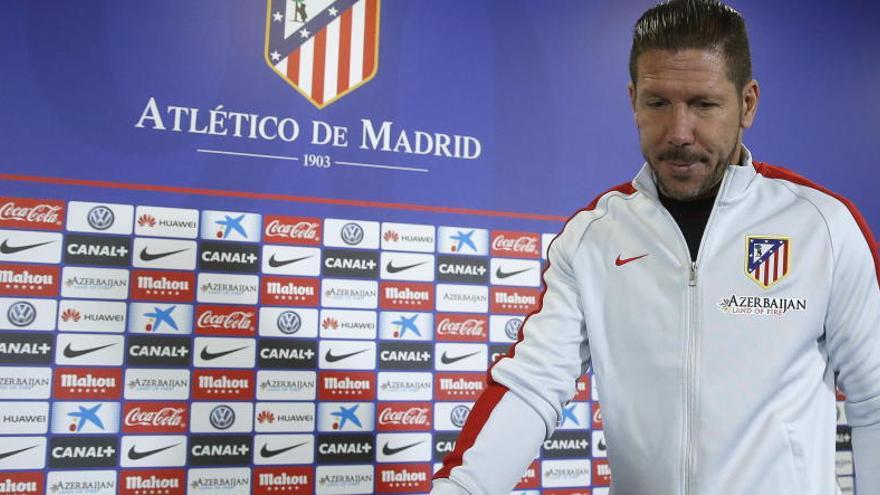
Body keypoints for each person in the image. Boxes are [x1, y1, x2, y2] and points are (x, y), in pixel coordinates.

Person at [430, 1, 880, 494]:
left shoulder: (824, 227)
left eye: (704, 104)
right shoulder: (593, 236)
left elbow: (874, 399)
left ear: (747, 103)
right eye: (658, 103)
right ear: (632, 100)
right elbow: (532, 386)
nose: (679, 132)